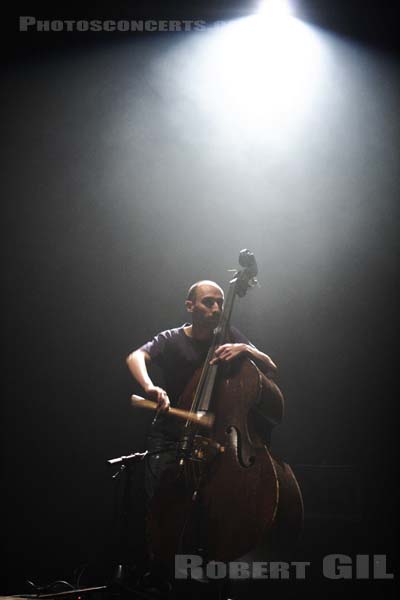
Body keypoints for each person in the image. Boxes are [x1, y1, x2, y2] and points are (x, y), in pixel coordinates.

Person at [126, 279, 277, 499]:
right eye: (208, 302)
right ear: (190, 306)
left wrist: (245, 349)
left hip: (213, 437)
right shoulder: (171, 338)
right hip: (170, 434)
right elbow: (136, 356)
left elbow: (271, 367)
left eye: (220, 303)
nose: (216, 309)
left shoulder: (229, 336)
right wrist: (150, 387)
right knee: (162, 503)